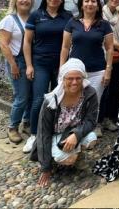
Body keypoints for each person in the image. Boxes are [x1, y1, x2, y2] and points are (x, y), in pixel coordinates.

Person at [23, 0, 73, 153]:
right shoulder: (36, 15)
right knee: (39, 99)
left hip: (61, 65)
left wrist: (65, 67)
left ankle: (54, 132)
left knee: (59, 99)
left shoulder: (67, 17)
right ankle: (34, 135)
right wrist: (29, 65)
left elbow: (70, 42)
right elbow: (27, 42)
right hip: (40, 63)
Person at [33, 58, 99, 187]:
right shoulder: (51, 101)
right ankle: (58, 158)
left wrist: (76, 134)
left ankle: (76, 154)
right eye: (70, 78)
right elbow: (43, 133)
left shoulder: (89, 93)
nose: (74, 82)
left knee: (92, 138)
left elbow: (91, 121)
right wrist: (46, 168)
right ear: (63, 79)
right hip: (55, 135)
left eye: (78, 78)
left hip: (74, 131)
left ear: (83, 78)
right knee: (66, 158)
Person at [60, 0, 114, 137]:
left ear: (98, 6)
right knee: (76, 99)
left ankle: (93, 125)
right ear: (82, 5)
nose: (90, 4)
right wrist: (62, 68)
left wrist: (108, 69)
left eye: (93, 1)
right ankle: (75, 127)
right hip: (75, 72)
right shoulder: (72, 23)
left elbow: (110, 48)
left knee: (94, 100)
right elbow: (65, 47)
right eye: (87, 1)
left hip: (98, 71)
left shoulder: (104, 25)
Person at [0, 0, 34, 144]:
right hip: (17, 61)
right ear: (15, 1)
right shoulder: (9, 20)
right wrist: (13, 65)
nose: (24, 1)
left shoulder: (32, 18)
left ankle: (27, 122)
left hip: (32, 61)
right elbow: (4, 45)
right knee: (22, 96)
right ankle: (12, 127)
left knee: (32, 95)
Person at [101, 0, 119, 132]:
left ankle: (111, 116)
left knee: (116, 88)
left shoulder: (118, 13)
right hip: (106, 55)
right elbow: (103, 33)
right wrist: (117, 44)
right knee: (106, 88)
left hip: (118, 55)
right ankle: (102, 118)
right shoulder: (102, 12)